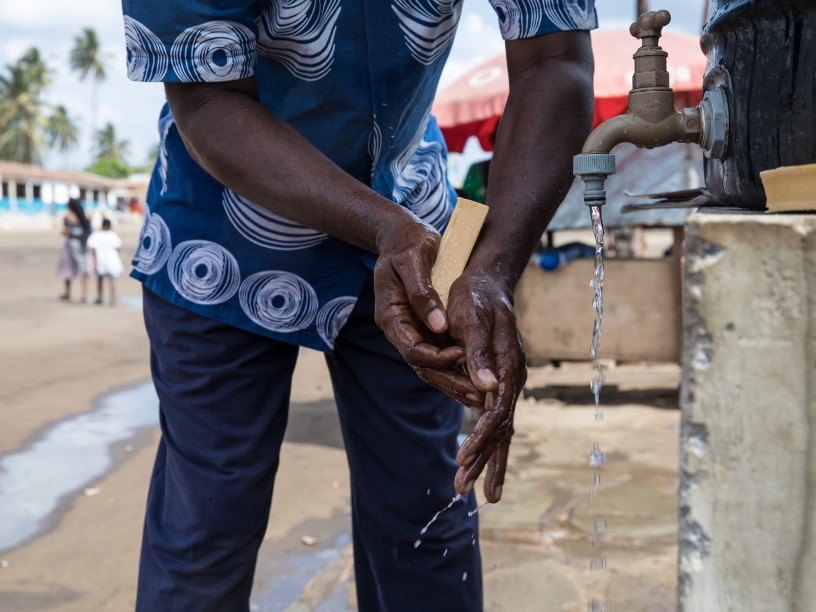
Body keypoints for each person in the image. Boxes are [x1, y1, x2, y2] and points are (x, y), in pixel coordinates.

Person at [121, 1, 596, 609]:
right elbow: (207, 99)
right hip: (222, 239)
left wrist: (491, 271)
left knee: (427, 515)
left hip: (412, 218)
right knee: (208, 524)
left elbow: (554, 59)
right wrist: (383, 229)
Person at [56, 197, 90, 302]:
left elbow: (64, 231)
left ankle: (68, 292)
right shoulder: (84, 217)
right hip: (81, 245)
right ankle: (84, 294)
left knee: (68, 269)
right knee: (82, 269)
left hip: (71, 244)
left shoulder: (67, 217)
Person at [86, 218, 124, 305]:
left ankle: (100, 297)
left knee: (100, 279)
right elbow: (118, 247)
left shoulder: (96, 234)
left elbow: (91, 247)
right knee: (112, 280)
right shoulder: (113, 235)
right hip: (112, 260)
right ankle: (113, 299)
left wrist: (93, 260)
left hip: (100, 260)